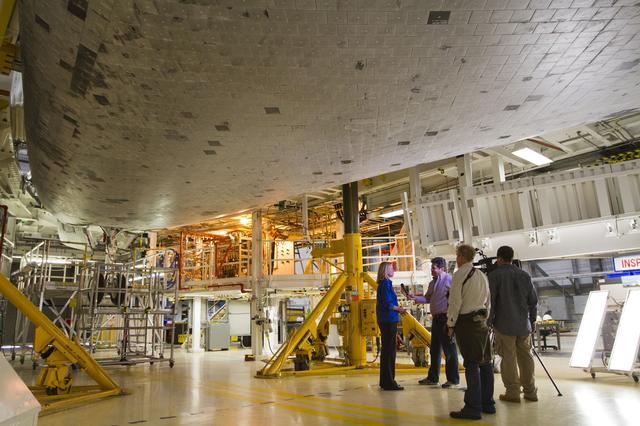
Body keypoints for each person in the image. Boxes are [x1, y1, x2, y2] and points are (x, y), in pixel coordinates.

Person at [447, 244, 495, 420]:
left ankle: (473, 408)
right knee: (486, 363)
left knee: (472, 365)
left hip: (467, 324)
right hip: (482, 322)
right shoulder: (481, 275)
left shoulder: (459, 274)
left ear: (461, 256)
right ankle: (488, 404)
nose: (456, 259)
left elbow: (455, 302)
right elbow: (488, 301)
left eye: (457, 255)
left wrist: (450, 324)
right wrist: (485, 318)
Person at [488, 245, 538, 404]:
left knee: (508, 358)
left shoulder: (494, 276)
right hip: (523, 325)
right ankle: (530, 391)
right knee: (526, 357)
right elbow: (533, 301)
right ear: (511, 257)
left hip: (504, 325)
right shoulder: (524, 275)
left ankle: (513, 392)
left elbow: (491, 303)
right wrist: (532, 321)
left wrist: (488, 322)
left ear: (499, 258)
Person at [406, 256, 460, 388]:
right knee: (434, 350)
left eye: (434, 268)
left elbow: (457, 298)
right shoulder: (432, 283)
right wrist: (415, 298)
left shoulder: (449, 280)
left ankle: (453, 379)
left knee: (449, 350)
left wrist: (453, 318)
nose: (432, 270)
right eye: (431, 268)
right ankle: (433, 377)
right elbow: (427, 298)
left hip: (446, 318)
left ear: (442, 268)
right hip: (436, 319)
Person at [376, 261, 406, 391]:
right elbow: (388, 304)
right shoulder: (385, 284)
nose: (393, 270)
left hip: (386, 319)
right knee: (389, 352)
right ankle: (389, 382)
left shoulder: (384, 284)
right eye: (391, 268)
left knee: (387, 351)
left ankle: (385, 381)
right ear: (385, 271)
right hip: (388, 320)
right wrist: (399, 309)